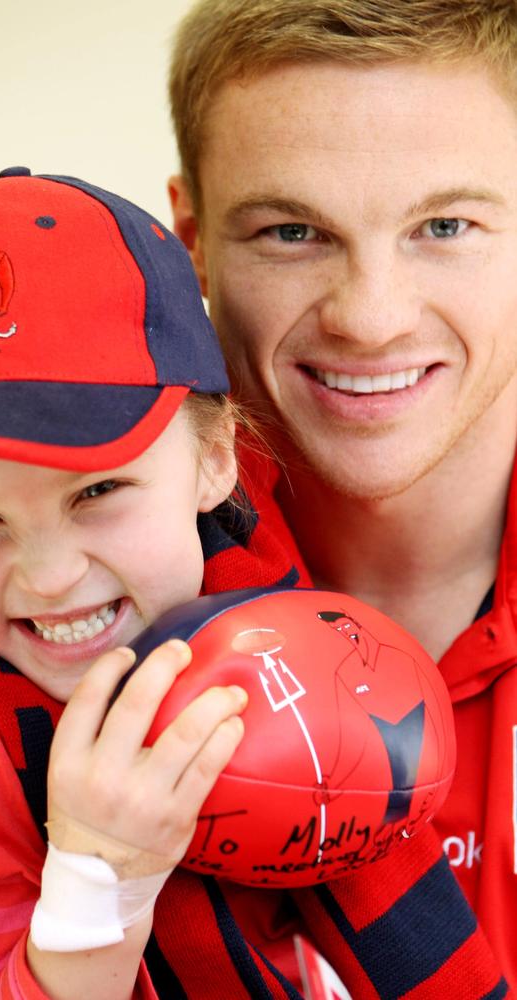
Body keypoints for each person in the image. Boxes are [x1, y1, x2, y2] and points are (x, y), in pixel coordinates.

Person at [0, 170, 507, 999]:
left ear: (216, 461)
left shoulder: (272, 593)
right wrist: (98, 880)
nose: (51, 576)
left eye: (96, 492)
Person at [166, 0, 517, 987]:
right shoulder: (68, 591)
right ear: (191, 241)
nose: (367, 317)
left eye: (443, 226)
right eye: (291, 232)